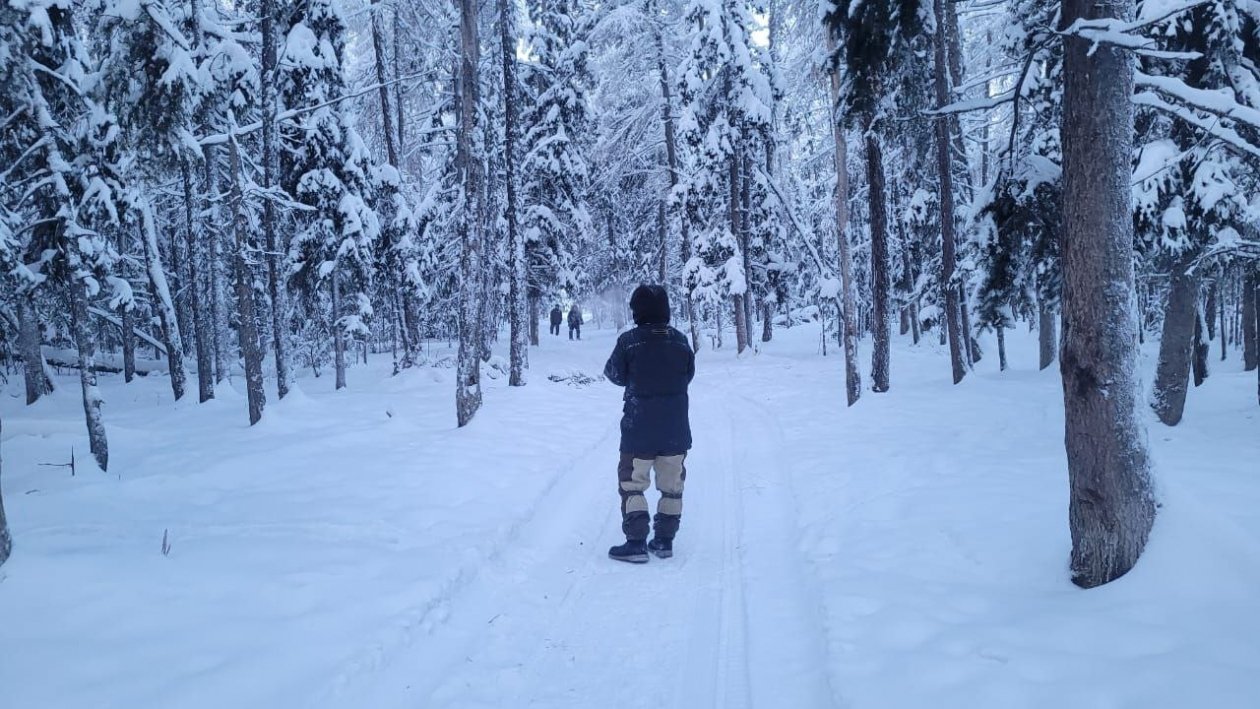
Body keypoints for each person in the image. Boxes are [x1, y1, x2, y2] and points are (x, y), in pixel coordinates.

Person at [602, 285, 695, 563]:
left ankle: (636, 542)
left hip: (638, 429)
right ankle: (664, 541)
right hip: (675, 431)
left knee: (632, 484)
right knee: (672, 486)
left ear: (637, 311)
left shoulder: (628, 341)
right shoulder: (680, 341)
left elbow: (614, 374)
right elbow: (688, 374)